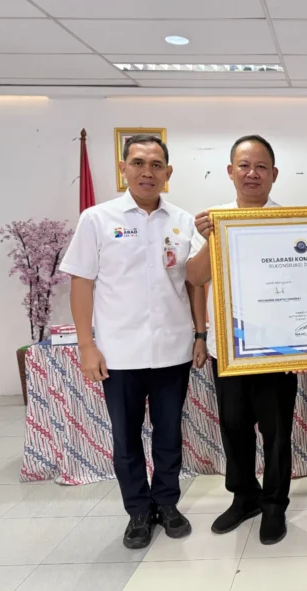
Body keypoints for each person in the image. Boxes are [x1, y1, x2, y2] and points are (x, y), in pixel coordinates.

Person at [61, 134, 207, 549]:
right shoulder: (97, 218)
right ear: (123, 168)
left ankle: (167, 503)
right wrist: (86, 345)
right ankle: (138, 512)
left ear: (168, 172)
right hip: (119, 354)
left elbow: (195, 282)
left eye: (156, 164)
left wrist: (200, 333)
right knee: (125, 438)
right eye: (139, 163)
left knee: (169, 434)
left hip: (173, 350)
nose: (147, 171)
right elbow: (82, 283)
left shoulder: (182, 221)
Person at [186, 135, 297, 545]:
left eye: (261, 166)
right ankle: (244, 496)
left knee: (276, 431)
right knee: (234, 426)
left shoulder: (291, 221)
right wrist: (212, 239)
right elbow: (196, 277)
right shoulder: (213, 221)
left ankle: (274, 504)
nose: (253, 173)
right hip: (228, 349)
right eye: (244, 166)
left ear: (274, 174)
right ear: (230, 171)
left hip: (277, 350)